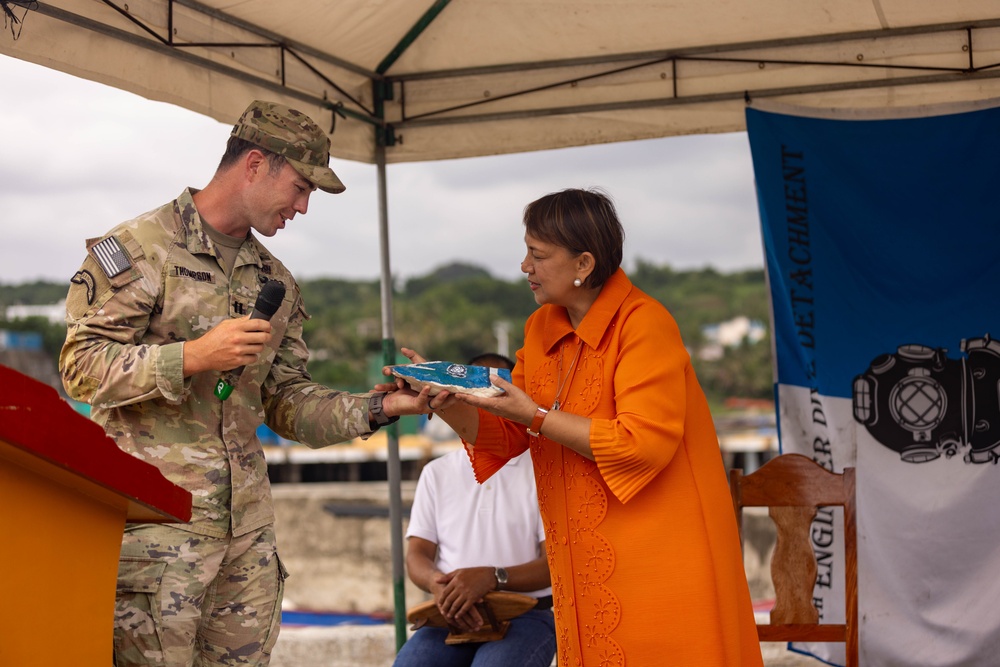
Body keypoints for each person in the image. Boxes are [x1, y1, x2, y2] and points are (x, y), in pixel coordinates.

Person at [59, 100, 430, 667]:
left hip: (247, 543)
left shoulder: (275, 280)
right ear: (255, 164)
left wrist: (376, 409)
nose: (303, 207)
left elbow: (286, 403)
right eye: (301, 187)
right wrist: (191, 357)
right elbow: (80, 366)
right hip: (157, 536)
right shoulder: (140, 249)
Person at [390, 188, 764, 666]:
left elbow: (641, 444)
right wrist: (443, 398)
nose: (525, 266)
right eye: (527, 251)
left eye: (538, 254)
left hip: (656, 553)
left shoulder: (644, 324)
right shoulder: (541, 328)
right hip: (584, 560)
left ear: (584, 263)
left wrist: (537, 417)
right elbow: (508, 433)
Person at [395, 353, 554, 667]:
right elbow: (418, 554)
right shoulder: (437, 472)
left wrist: (494, 578)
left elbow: (554, 564)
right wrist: (438, 585)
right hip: (450, 613)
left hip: (526, 611)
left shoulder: (542, 472)